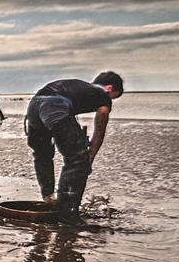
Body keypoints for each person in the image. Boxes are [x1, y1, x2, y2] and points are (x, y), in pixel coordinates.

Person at [25, 72, 123, 227]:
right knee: (77, 159)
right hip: (55, 106)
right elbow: (100, 126)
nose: (110, 101)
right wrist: (89, 157)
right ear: (109, 88)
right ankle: (67, 213)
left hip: (34, 106)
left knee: (42, 154)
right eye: (113, 97)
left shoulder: (78, 87)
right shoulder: (102, 93)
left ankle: (49, 197)